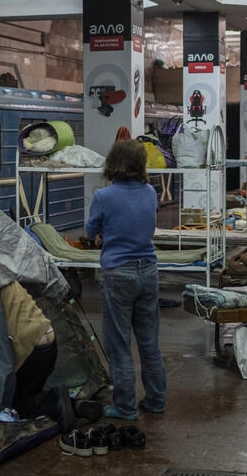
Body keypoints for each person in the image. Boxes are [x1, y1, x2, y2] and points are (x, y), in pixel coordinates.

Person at [85, 140, 165, 420]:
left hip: (118, 273)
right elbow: (146, 225)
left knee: (119, 345)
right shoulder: (150, 193)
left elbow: (90, 228)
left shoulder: (104, 196)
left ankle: (125, 407)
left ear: (113, 163)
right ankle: (155, 400)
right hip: (149, 272)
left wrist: (103, 233)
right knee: (149, 343)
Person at [0, 281, 100, 428]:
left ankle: (56, 401)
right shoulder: (10, 278)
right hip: (49, 341)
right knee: (29, 393)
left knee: (15, 404)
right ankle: (74, 405)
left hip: (30, 349)